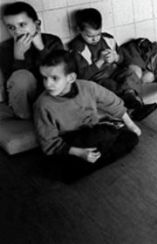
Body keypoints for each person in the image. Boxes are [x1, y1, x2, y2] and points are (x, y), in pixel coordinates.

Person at [33, 50, 141, 183]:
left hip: (93, 132)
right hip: (71, 142)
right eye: (45, 78)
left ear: (71, 78)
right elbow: (49, 143)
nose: (48, 84)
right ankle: (81, 165)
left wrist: (131, 124)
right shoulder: (42, 105)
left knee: (131, 139)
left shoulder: (88, 87)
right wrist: (80, 153)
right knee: (103, 135)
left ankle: (83, 166)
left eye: (54, 78)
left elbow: (112, 102)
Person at [68, 8, 157, 121]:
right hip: (97, 79)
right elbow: (83, 76)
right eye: (90, 36)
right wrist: (100, 61)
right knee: (110, 86)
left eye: (98, 34)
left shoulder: (108, 39)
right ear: (79, 30)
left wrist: (116, 58)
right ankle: (134, 108)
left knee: (130, 74)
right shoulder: (78, 48)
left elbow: (123, 59)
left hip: (114, 71)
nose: (95, 39)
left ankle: (134, 104)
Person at [0, 1, 64, 119]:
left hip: (51, 95)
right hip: (24, 103)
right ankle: (26, 117)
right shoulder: (5, 48)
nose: (17, 31)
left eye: (22, 25)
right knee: (21, 77)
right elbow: (13, 84)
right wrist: (18, 56)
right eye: (11, 27)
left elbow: (61, 72)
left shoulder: (53, 41)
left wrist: (41, 48)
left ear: (37, 24)